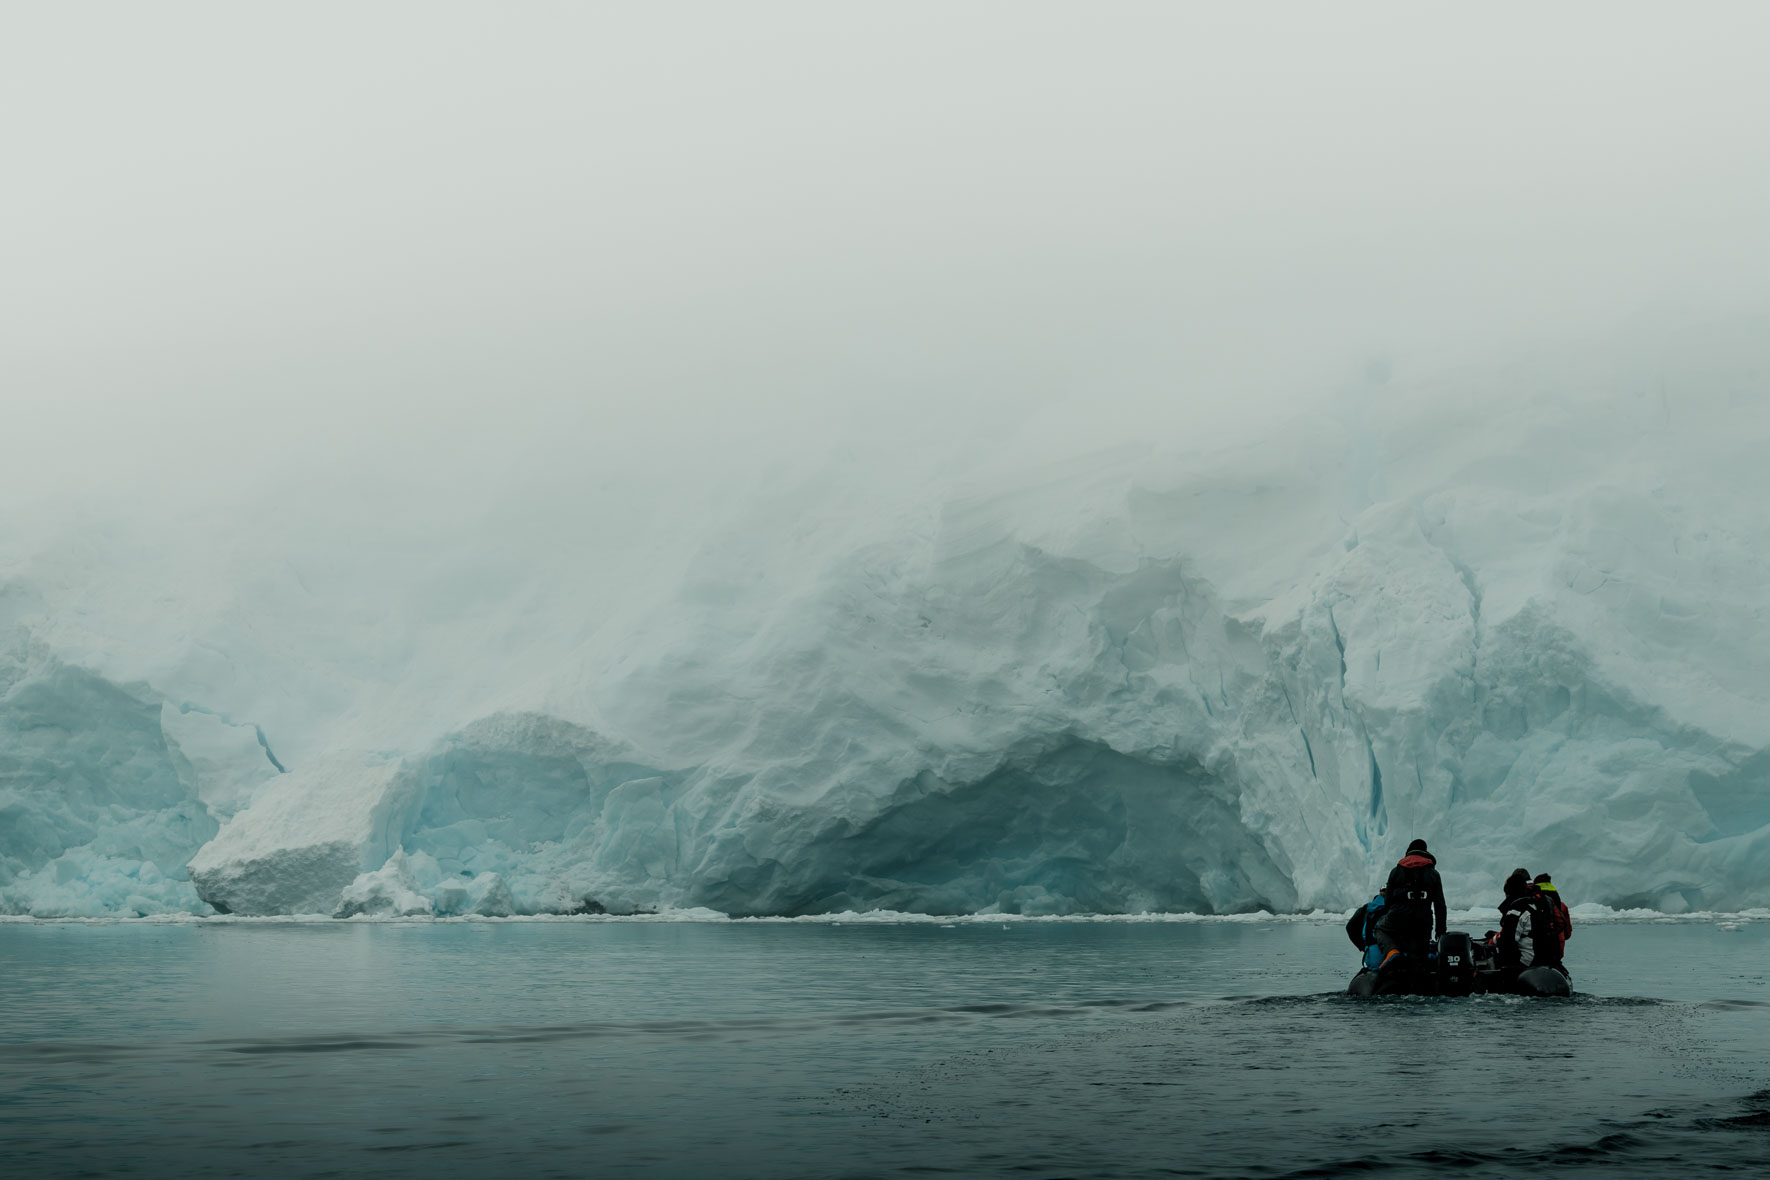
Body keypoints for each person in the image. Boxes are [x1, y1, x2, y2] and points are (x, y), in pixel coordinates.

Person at [1371, 839, 1447, 964]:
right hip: (1423, 920)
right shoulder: (1433, 874)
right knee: (1418, 958)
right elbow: (1440, 905)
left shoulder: (1396, 871)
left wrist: (1390, 915)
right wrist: (1440, 932)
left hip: (1398, 917)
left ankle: (1392, 951)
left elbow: (1388, 900)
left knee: (1380, 929)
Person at [1493, 867, 1550, 972]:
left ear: (1508, 891)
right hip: (1541, 957)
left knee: (1493, 958)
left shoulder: (1516, 911)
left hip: (1527, 960)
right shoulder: (1534, 906)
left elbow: (1508, 941)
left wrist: (1494, 941)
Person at [1532, 872, 1572, 966]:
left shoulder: (1533, 905)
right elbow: (1567, 934)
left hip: (1537, 953)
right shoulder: (1562, 907)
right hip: (1557, 952)